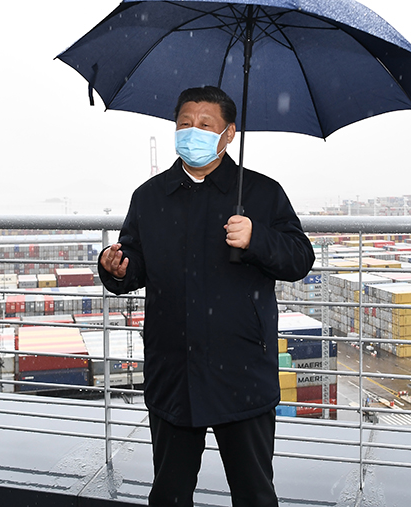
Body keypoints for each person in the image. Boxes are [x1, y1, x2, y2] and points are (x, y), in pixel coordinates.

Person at [99, 85, 315, 507]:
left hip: (242, 373)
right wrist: (115, 269)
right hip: (173, 371)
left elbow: (299, 259)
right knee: (169, 494)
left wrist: (257, 238)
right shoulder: (149, 196)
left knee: (254, 494)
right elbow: (133, 264)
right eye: (184, 123)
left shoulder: (262, 193)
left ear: (228, 133)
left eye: (205, 124)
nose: (192, 132)